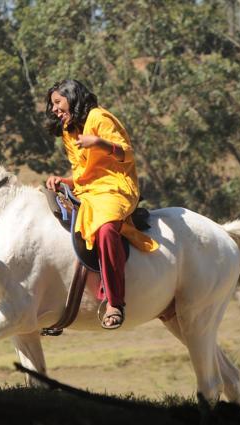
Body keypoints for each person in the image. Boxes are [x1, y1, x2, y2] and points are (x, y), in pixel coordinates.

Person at [44, 79, 158, 329]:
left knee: (105, 229)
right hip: (89, 190)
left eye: (57, 102)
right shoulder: (68, 130)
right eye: (52, 104)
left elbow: (126, 153)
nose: (54, 109)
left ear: (72, 98)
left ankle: (115, 302)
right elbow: (83, 172)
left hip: (117, 186)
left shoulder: (100, 117)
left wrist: (99, 143)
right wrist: (63, 180)